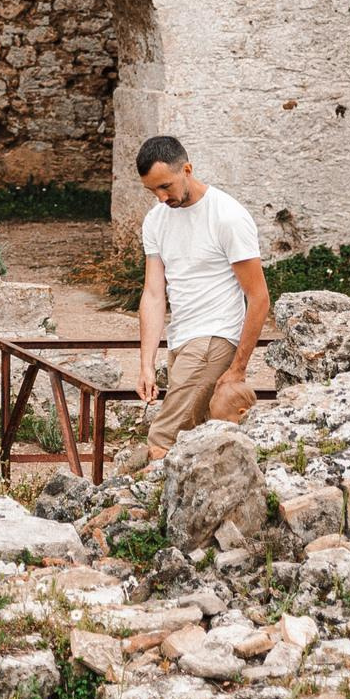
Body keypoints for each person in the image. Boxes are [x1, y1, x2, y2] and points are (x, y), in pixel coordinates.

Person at [134, 135, 270, 462]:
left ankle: (136, 495)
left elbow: (259, 297)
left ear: (187, 170)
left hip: (214, 338)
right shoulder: (156, 219)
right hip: (180, 339)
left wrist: (238, 368)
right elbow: (153, 294)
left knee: (164, 438)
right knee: (197, 443)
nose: (161, 197)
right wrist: (146, 364)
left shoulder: (227, 216)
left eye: (165, 186)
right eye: (152, 190)